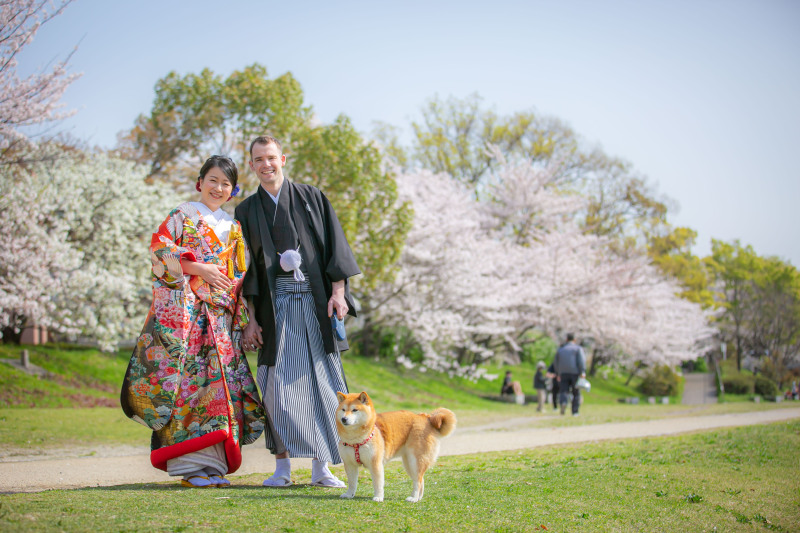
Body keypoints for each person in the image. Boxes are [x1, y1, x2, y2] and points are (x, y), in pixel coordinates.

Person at [121, 156, 265, 488]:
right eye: (212, 180)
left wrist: (241, 319)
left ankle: (213, 467)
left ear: (233, 191)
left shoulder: (233, 228)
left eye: (226, 184)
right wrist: (200, 269)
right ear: (200, 183)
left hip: (220, 319)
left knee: (219, 391)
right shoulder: (182, 216)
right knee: (188, 389)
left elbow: (238, 277)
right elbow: (159, 252)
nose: (218, 188)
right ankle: (189, 469)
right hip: (186, 319)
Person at [234, 136, 360, 488]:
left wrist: (338, 294)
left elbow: (335, 248)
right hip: (275, 309)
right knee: (276, 387)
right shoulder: (246, 210)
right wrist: (251, 320)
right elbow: (248, 272)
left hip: (315, 303)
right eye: (258, 159)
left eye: (271, 157)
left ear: (283, 159)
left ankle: (323, 468)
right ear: (252, 165)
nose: (266, 165)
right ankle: (282, 468)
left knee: (323, 384)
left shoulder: (312, 197)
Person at [553, 333, 587, 416]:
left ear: (566, 339)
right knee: (576, 392)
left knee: (563, 390)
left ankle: (563, 402)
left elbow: (556, 362)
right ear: (574, 340)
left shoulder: (561, 349)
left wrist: (558, 373)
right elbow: (581, 361)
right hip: (575, 373)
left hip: (563, 373)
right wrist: (582, 371)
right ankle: (575, 411)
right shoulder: (577, 349)